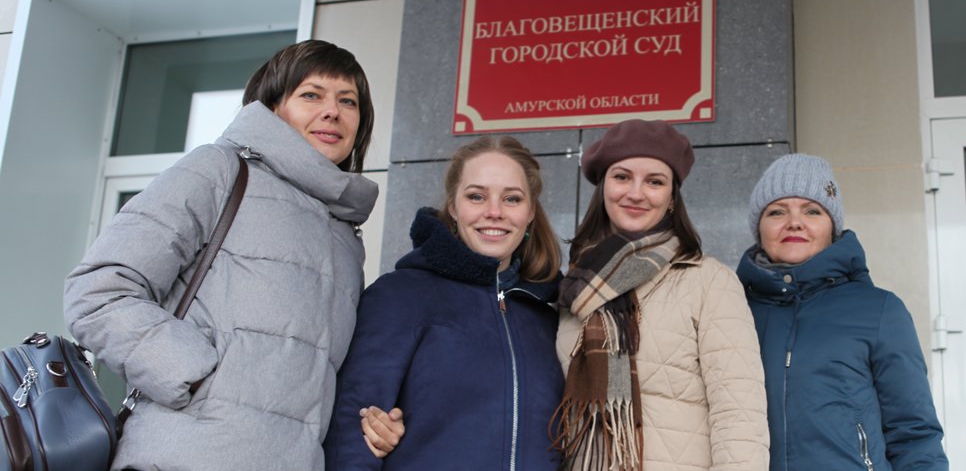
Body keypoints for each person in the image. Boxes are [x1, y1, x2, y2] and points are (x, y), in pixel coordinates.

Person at [63, 39, 378, 470]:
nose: (333, 111)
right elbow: (98, 290)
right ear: (271, 107)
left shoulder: (345, 234)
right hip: (182, 457)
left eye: (348, 101)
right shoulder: (220, 170)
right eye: (311, 95)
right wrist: (194, 375)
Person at [323, 136, 565, 470]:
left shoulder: (549, 316)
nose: (494, 212)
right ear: (453, 206)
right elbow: (352, 430)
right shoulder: (399, 297)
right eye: (476, 196)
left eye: (512, 199)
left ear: (530, 212)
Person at [552, 119, 770, 470]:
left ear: (671, 197)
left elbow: (739, 416)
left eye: (655, 181)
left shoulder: (708, 281)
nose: (636, 193)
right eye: (622, 177)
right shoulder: (572, 288)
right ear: (603, 187)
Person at [736, 154, 948, 470]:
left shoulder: (879, 311)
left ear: (832, 226)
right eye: (777, 211)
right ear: (759, 228)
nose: (794, 222)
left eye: (812, 210)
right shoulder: (732, 312)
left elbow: (915, 434)